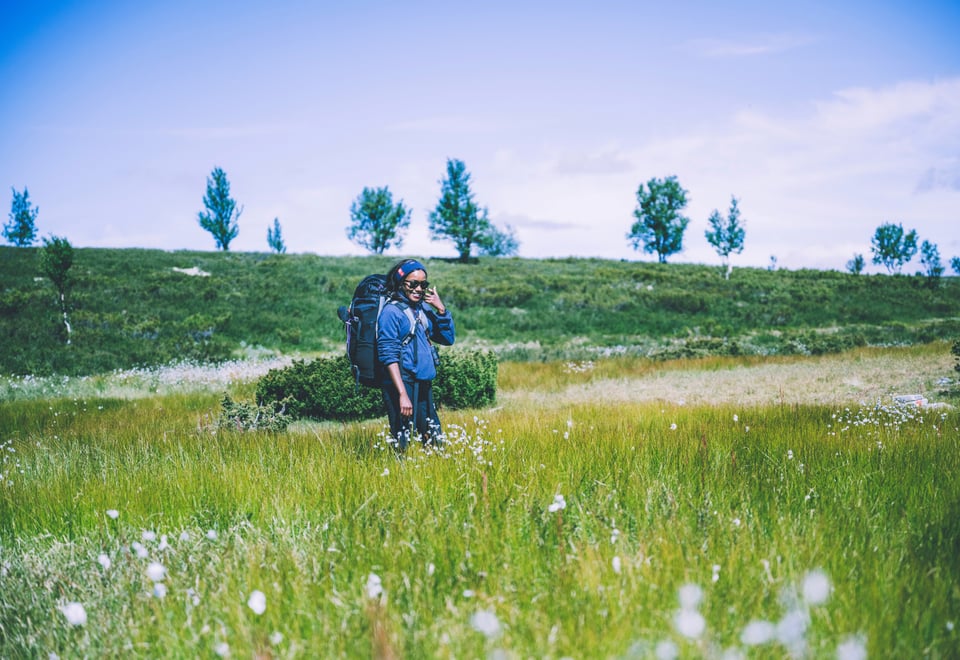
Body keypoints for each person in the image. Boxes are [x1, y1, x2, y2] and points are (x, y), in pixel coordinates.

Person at [377, 259, 455, 451]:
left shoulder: (423, 309)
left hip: (423, 382)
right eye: (413, 283)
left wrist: (441, 310)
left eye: (423, 284)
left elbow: (447, 338)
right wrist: (402, 394)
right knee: (401, 438)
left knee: (434, 437)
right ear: (400, 283)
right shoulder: (391, 312)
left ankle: (434, 472)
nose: (419, 289)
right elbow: (389, 356)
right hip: (402, 383)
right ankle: (398, 475)